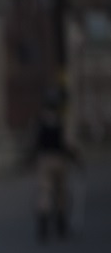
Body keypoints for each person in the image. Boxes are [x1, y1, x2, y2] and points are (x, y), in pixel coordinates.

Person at [27, 91, 81, 242]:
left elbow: (33, 143)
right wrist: (76, 159)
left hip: (44, 159)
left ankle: (43, 226)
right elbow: (69, 143)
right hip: (60, 159)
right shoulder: (62, 121)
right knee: (61, 192)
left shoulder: (38, 121)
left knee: (44, 192)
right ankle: (61, 225)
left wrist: (31, 159)